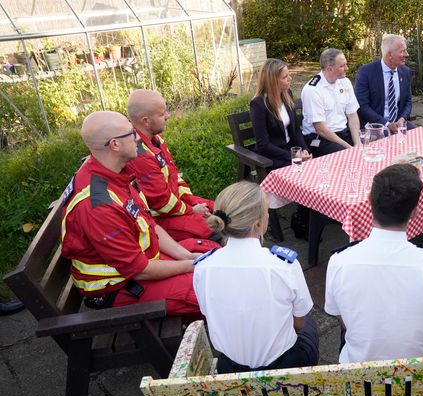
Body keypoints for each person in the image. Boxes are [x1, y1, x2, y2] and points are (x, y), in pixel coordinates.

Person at [61, 111, 218, 320]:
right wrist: (193, 265)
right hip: (119, 287)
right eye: (130, 133)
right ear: (115, 145)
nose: (137, 137)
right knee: (214, 291)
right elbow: (139, 270)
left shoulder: (115, 173)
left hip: (141, 262)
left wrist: (186, 256)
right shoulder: (99, 206)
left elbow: (148, 224)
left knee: (214, 257)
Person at [325, 164, 423, 363]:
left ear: (369, 202)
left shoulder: (339, 262)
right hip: (420, 379)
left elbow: (343, 320)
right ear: (414, 212)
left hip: (361, 378)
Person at [193, 181, 319, 373]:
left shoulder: (203, 267)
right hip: (286, 366)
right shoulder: (283, 265)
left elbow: (209, 313)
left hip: (231, 369)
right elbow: (299, 324)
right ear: (259, 224)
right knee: (308, 323)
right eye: (267, 212)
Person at [125, 89, 215, 242]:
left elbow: (173, 176)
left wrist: (190, 200)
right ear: (145, 121)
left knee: (221, 208)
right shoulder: (140, 156)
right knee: (213, 227)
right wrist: (192, 210)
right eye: (161, 114)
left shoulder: (156, 140)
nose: (167, 116)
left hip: (175, 207)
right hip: (160, 219)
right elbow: (161, 203)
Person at [249, 58, 312, 239]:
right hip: (271, 155)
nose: (290, 79)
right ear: (272, 80)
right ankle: (301, 220)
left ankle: (304, 217)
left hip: (289, 151)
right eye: (285, 77)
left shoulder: (287, 94)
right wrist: (292, 156)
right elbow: (263, 144)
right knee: (301, 174)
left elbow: (296, 131)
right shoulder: (258, 104)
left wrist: (304, 150)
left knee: (313, 168)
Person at [301, 48, 361, 156]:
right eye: (342, 66)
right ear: (329, 69)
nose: (347, 68)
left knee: (367, 149)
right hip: (321, 139)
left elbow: (352, 115)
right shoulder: (313, 89)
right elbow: (320, 129)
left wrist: (357, 143)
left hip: (343, 134)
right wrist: (348, 147)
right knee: (347, 156)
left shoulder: (345, 82)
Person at [354, 34, 413, 134]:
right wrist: (386, 124)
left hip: (398, 123)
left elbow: (408, 101)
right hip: (376, 126)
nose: (407, 54)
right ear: (390, 55)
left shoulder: (405, 72)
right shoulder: (366, 72)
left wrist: (402, 119)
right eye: (402, 51)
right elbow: (362, 106)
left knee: (421, 136)